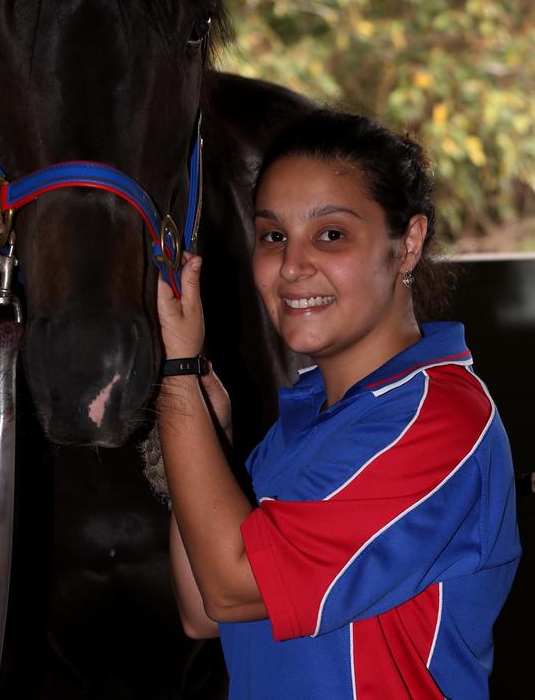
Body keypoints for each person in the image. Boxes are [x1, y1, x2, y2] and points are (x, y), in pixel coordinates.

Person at [155, 109, 520, 700]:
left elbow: (231, 586)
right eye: (274, 235)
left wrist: (176, 373)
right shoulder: (306, 420)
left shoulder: (437, 420)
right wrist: (206, 432)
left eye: (331, 234)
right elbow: (204, 610)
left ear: (408, 245)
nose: (293, 267)